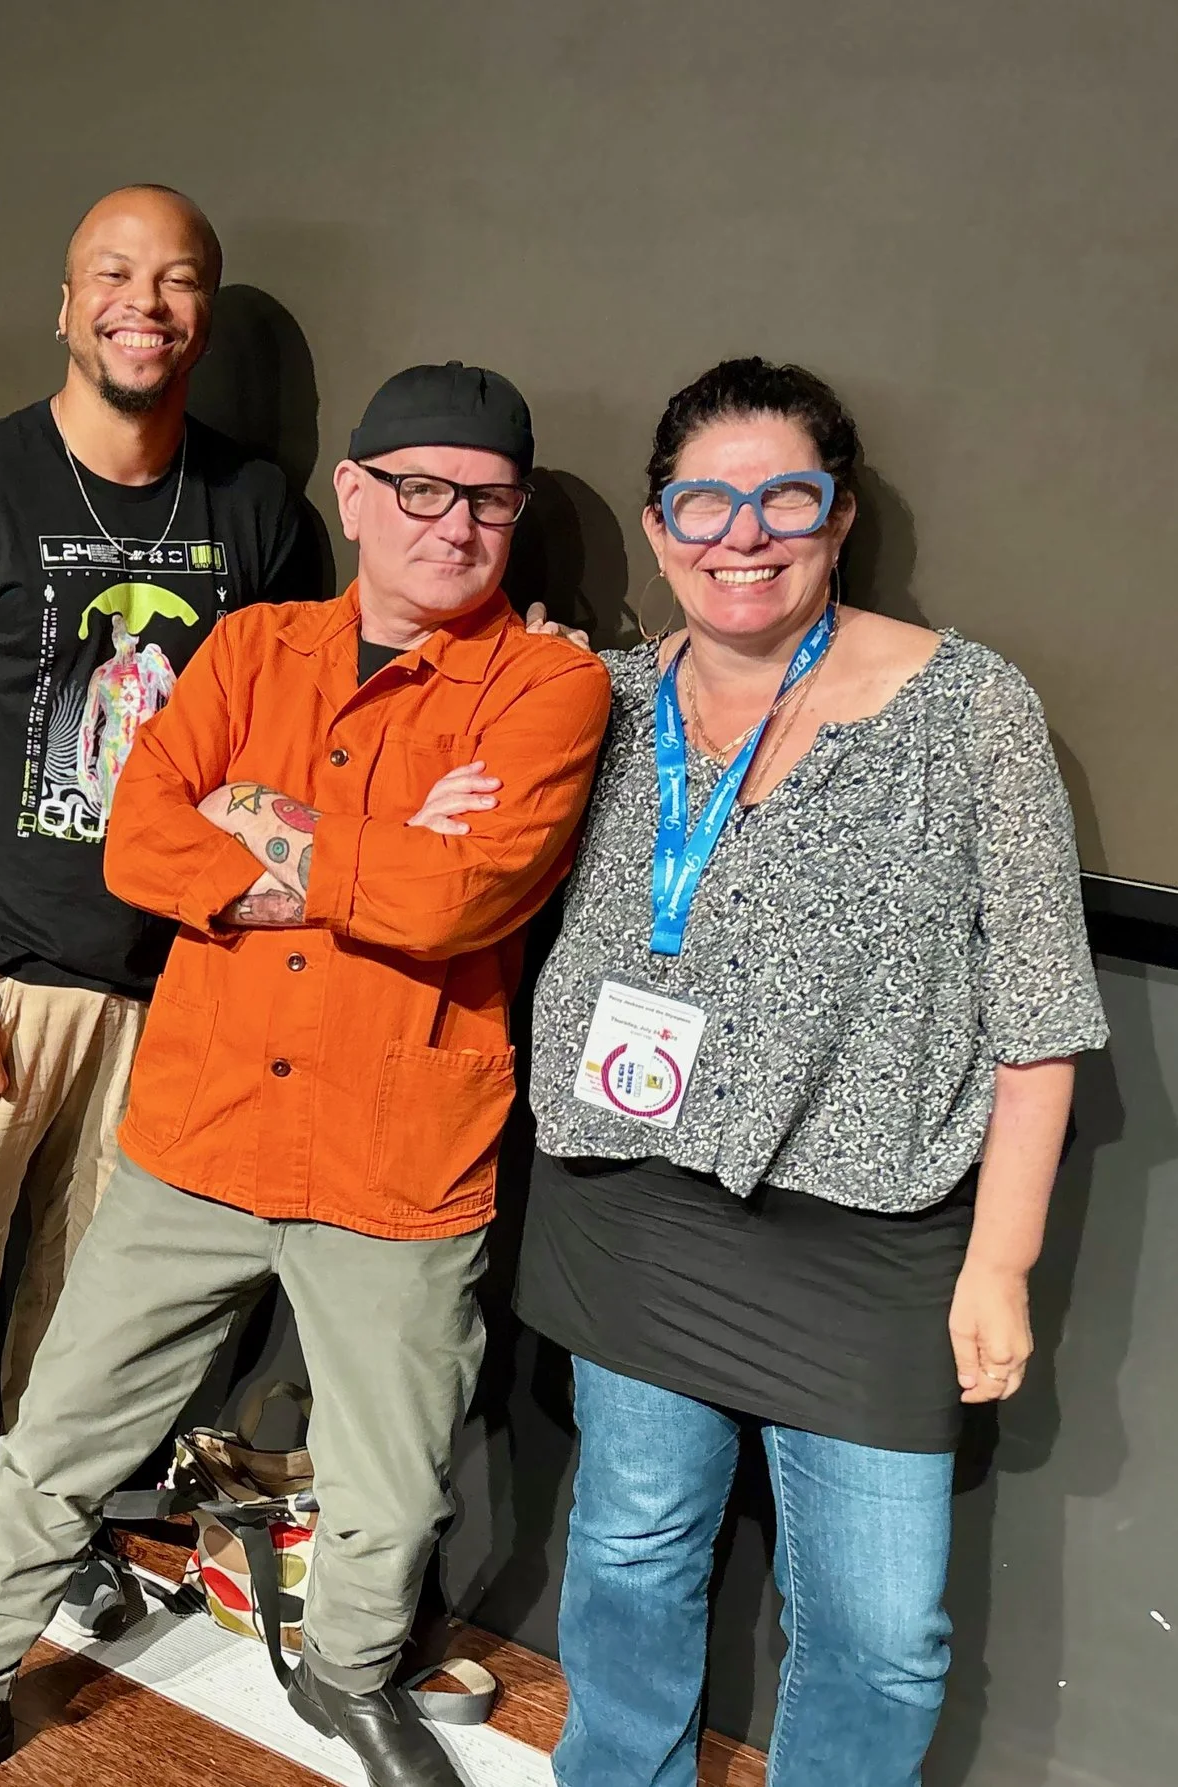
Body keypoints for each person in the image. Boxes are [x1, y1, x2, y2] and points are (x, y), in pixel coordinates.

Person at [0, 362, 610, 1786]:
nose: (453, 524)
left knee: (392, 1492)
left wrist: (264, 815)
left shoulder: (552, 682)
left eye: (490, 500)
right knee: (58, 1438)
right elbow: (141, 839)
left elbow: (467, 898)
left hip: (398, 1155)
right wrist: (376, 841)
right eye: (420, 489)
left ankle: (346, 1674)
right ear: (355, 492)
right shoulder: (255, 644)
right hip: (199, 1131)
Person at [515, 359, 1107, 1787]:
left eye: (785, 494)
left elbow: (1037, 1019)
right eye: (704, 501)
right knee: (628, 1557)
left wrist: (1001, 1261)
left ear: (838, 518)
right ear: (659, 529)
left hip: (872, 1240)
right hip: (631, 1205)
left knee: (880, 1627)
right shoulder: (587, 702)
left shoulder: (969, 708)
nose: (744, 531)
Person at [0, 184, 326, 1702]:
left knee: (91, 1306)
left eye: (175, 282)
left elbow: (306, 720)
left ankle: (37, 1525)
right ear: (65, 302)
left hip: (176, 988)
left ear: (203, 319)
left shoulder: (256, 509)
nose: (143, 304)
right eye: (114, 274)